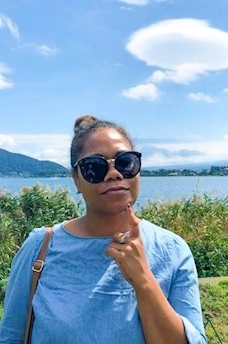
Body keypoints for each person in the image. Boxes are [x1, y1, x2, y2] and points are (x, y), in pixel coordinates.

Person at [0, 116, 207, 343]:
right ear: (76, 180)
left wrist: (143, 280)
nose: (114, 174)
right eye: (94, 167)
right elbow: (11, 336)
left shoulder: (172, 250)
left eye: (125, 162)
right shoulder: (40, 247)